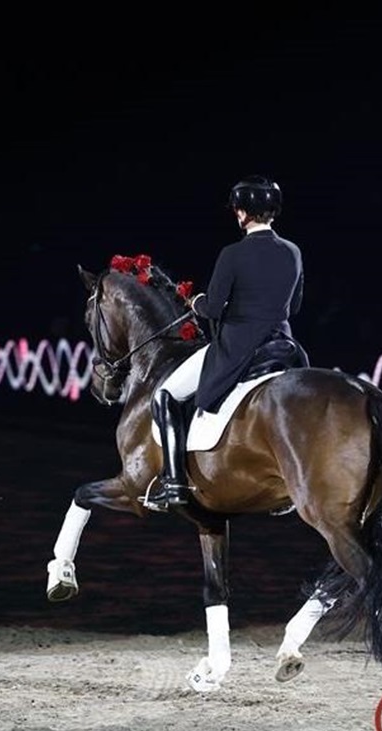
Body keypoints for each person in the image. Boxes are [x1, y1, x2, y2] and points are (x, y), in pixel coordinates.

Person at [143, 175, 308, 511]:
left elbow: (214, 308)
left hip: (240, 345)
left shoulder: (233, 253)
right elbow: (294, 306)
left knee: (165, 396)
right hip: (282, 345)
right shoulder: (293, 251)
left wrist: (196, 303)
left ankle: (174, 484)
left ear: (242, 213)